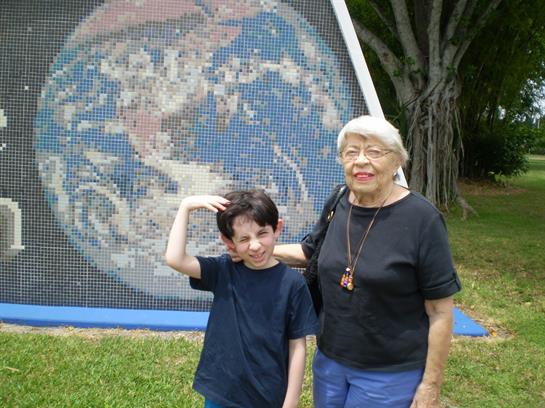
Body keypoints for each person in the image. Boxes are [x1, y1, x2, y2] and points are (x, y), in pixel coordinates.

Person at [230, 115, 462, 407]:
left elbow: (440, 311)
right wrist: (257, 249)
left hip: (389, 373)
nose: (361, 161)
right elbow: (312, 253)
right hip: (329, 362)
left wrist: (430, 385)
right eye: (351, 152)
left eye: (374, 152)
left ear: (396, 162)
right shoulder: (339, 200)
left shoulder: (422, 220)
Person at [164, 189, 320, 408]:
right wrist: (186, 206)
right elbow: (175, 259)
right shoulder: (223, 271)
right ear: (229, 242)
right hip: (222, 391)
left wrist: (291, 402)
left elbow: (297, 346)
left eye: (262, 233)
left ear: (277, 228)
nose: (255, 245)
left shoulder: (293, 284)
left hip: (267, 394)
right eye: (244, 239)